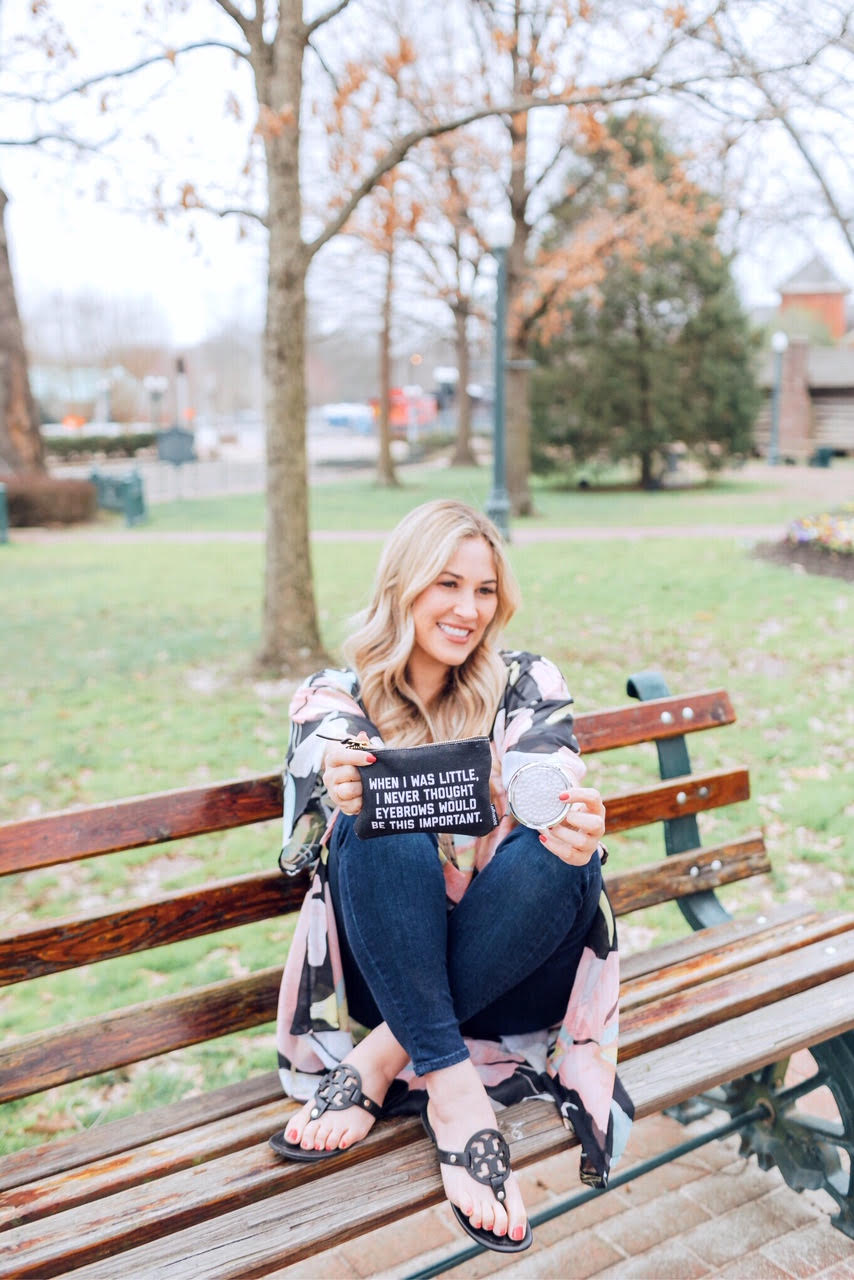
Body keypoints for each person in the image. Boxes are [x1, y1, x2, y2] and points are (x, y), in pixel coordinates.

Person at [270, 500, 632, 1254]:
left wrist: (567, 813)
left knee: (566, 855)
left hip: (519, 970)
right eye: (447, 584)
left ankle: (387, 1057)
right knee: (373, 811)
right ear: (402, 585)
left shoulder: (524, 681)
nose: (469, 610)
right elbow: (318, 793)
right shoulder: (332, 697)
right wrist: (344, 779)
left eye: (486, 590)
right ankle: (457, 1094)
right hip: (389, 967)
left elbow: (547, 766)